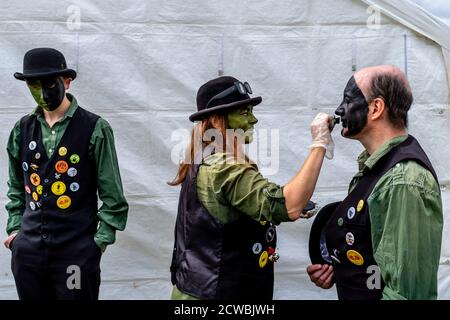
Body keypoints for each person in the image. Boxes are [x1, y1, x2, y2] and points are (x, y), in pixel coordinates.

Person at [169, 75, 334, 300]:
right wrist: (319, 143)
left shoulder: (204, 158)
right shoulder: (222, 167)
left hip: (197, 289)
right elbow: (289, 205)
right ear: (217, 120)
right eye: (244, 112)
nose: (253, 120)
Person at [307, 65, 443, 300]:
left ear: (376, 108)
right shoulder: (376, 168)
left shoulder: (403, 181)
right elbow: (374, 255)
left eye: (347, 100)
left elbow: (407, 293)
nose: (339, 110)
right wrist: (341, 269)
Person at [4, 47, 129, 300]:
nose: (42, 93)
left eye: (49, 84)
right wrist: (16, 232)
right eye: (33, 85)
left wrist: (97, 244)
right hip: (28, 255)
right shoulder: (21, 129)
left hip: (77, 254)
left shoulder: (95, 128)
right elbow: (16, 186)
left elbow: (114, 197)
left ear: (67, 81)